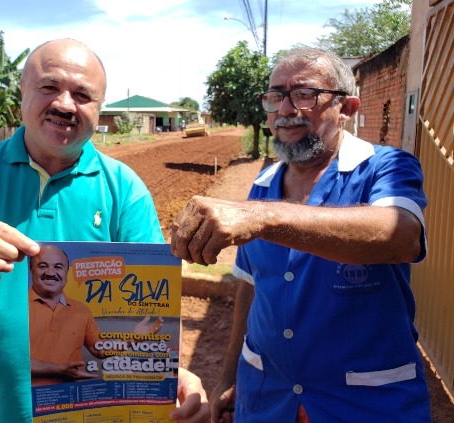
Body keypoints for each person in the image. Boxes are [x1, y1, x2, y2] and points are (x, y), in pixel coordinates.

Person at [0, 38, 209, 422]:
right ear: (22, 93)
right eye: (49, 87)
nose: (64, 104)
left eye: (82, 95)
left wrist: (170, 374)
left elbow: (138, 320)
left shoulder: (124, 189)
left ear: (99, 108)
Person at [170, 47, 430, 423]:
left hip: (367, 403)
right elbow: (251, 285)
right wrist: (229, 375)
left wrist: (265, 217)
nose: (285, 109)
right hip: (268, 398)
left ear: (348, 108)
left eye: (304, 94)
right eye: (275, 96)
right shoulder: (263, 185)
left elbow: (401, 236)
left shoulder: (385, 168)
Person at [29, 244, 163, 385]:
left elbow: (98, 349)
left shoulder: (81, 309)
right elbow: (13, 360)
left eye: (58, 267)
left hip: (74, 398)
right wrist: (58, 370)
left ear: (66, 272)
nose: (50, 273)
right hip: (30, 401)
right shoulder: (19, 308)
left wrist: (133, 340)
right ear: (31, 269)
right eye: (43, 266)